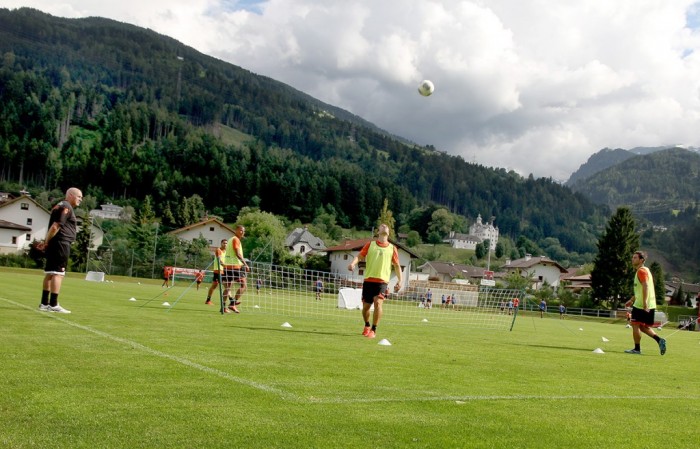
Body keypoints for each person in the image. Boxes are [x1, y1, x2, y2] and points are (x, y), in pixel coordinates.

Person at [347, 224, 403, 339]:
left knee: (378, 303)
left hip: (382, 282)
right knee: (366, 308)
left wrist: (400, 280)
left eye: (386, 226)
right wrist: (353, 263)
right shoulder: (370, 245)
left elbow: (397, 266)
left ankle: (373, 329)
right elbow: (360, 256)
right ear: (378, 232)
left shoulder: (393, 248)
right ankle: (367, 325)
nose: (384, 226)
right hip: (368, 281)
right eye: (382, 226)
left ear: (388, 232)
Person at [37, 187, 83, 314]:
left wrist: (46, 241)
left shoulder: (58, 206)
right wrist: (46, 242)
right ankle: (54, 304)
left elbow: (53, 226)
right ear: (71, 195)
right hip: (61, 244)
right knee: (58, 273)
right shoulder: (66, 206)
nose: (81, 199)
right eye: (79, 197)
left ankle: (44, 303)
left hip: (55, 243)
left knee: (50, 273)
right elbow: (56, 226)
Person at [624, 251, 666, 355]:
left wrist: (644, 303)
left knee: (635, 325)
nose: (632, 259)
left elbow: (646, 286)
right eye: (632, 257)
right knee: (643, 327)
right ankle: (659, 340)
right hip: (648, 304)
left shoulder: (641, 271)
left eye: (635, 258)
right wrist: (632, 300)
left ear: (641, 260)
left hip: (642, 305)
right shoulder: (645, 270)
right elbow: (640, 289)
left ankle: (637, 349)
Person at [222, 225, 250, 314]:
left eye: (244, 231)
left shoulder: (230, 239)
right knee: (244, 285)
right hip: (235, 267)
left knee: (228, 288)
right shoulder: (236, 239)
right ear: (236, 230)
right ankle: (232, 303)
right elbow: (238, 254)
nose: (242, 232)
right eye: (241, 230)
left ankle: (223, 307)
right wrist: (245, 264)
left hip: (227, 266)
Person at [206, 239, 227, 305]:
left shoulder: (226, 252)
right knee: (226, 286)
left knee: (215, 286)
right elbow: (219, 260)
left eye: (226, 243)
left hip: (223, 271)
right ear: (221, 243)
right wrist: (224, 265)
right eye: (224, 243)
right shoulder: (218, 250)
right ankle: (232, 300)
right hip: (218, 271)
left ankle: (208, 300)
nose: (225, 244)